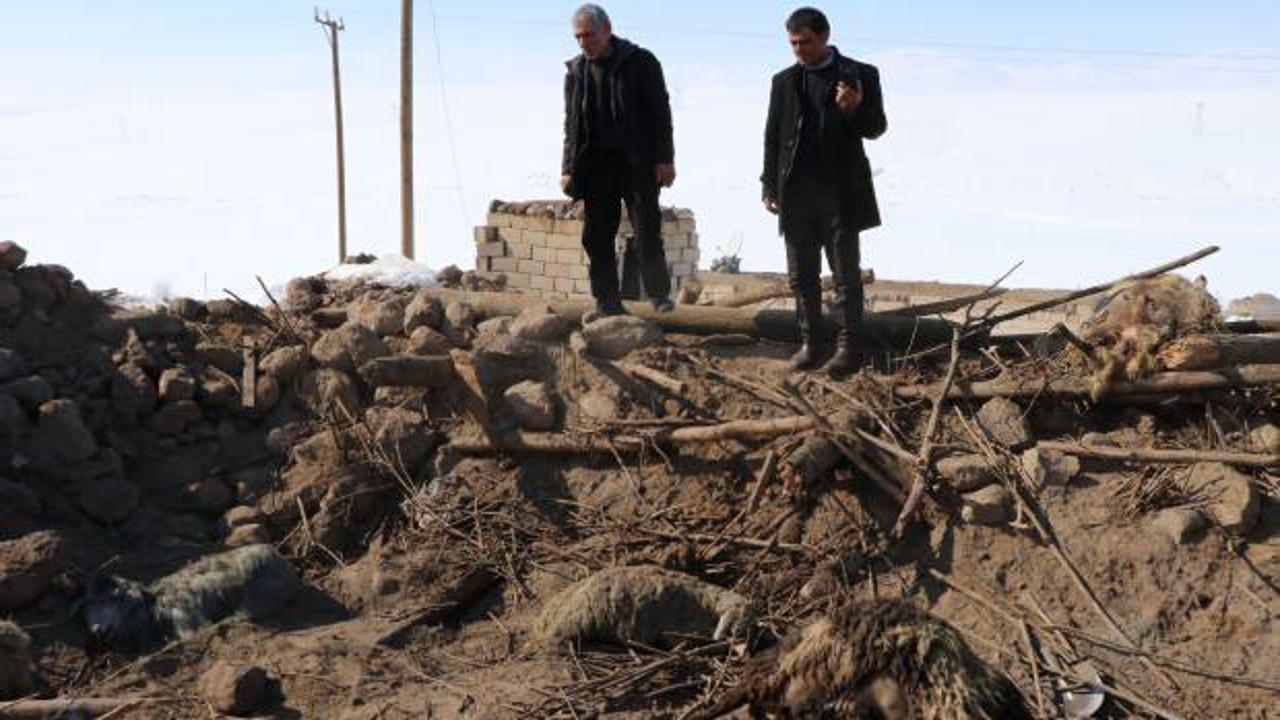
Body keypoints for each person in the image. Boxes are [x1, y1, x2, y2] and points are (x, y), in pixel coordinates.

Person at [761, 7, 887, 376]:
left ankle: (849, 348)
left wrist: (855, 108)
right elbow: (772, 137)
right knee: (801, 276)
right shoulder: (784, 81)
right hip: (796, 194)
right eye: (793, 43)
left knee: (845, 275)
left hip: (840, 193)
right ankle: (810, 344)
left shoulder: (860, 75)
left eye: (806, 42)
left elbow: (876, 127)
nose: (799, 50)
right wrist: (769, 184)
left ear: (825, 36)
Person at [561, 4, 677, 315]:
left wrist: (665, 158)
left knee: (646, 231)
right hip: (596, 165)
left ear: (607, 30)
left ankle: (658, 294)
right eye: (579, 37)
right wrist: (568, 167)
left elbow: (660, 113)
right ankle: (607, 301)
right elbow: (571, 124)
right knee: (596, 236)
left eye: (590, 35)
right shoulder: (576, 71)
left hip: (637, 162)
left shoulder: (640, 62)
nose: (584, 42)